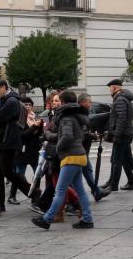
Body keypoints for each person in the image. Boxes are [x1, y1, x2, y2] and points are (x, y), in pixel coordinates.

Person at [31, 90, 94, 230]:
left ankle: (47, 219)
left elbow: (66, 137)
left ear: (64, 102)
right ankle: (88, 219)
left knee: (59, 191)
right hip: (80, 155)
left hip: (70, 157)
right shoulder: (77, 115)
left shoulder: (66, 118)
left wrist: (58, 149)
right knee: (80, 191)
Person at [0, 80, 36, 210]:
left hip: (8, 142)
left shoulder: (11, 101)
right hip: (2, 141)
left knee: (8, 172)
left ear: (4, 87)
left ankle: (34, 193)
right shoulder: (4, 101)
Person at [102, 79, 133, 191]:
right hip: (124, 134)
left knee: (117, 160)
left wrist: (117, 135)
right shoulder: (121, 98)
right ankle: (131, 182)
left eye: (110, 87)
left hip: (122, 135)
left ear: (115, 88)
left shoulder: (119, 100)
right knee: (126, 159)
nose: (109, 90)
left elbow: (121, 119)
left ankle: (113, 185)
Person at [8, 97, 43, 205]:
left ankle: (34, 196)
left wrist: (39, 127)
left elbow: (37, 135)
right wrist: (34, 127)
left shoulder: (33, 117)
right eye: (25, 105)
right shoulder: (19, 119)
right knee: (19, 175)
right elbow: (22, 136)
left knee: (37, 174)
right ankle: (12, 196)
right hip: (22, 151)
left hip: (32, 151)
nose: (27, 106)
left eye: (29, 104)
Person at [78, 93, 110, 202]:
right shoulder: (80, 114)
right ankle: (95, 192)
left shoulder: (83, 113)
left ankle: (96, 191)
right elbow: (82, 133)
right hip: (79, 150)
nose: (91, 103)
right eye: (89, 101)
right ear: (82, 102)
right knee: (83, 173)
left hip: (82, 150)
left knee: (87, 171)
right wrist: (93, 135)